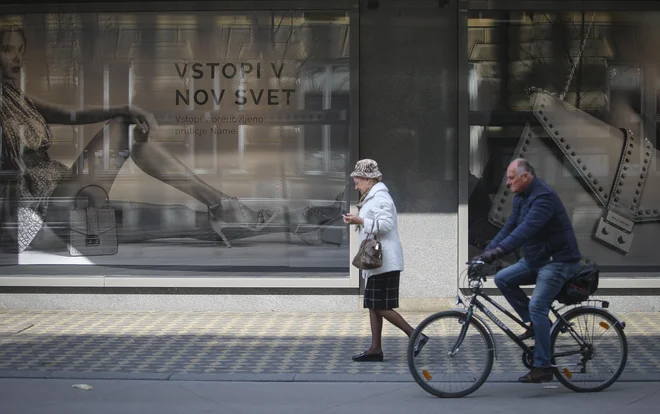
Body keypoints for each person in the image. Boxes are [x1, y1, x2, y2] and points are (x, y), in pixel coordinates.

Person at [0, 25, 341, 253]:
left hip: (64, 198)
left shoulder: (20, 98)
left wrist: (123, 105)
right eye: (7, 50)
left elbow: (71, 114)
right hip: (38, 213)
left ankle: (296, 220)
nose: (16, 57)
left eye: (19, 50)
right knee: (126, 129)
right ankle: (227, 205)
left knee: (176, 218)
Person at [479, 158, 581, 383]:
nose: (508, 183)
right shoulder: (521, 197)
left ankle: (544, 366)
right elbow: (510, 226)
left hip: (558, 261)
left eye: (511, 178)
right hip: (537, 259)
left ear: (526, 176)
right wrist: (487, 250)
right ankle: (536, 325)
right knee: (503, 279)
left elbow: (525, 231)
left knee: (537, 306)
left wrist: (498, 251)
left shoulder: (543, 197)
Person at [343, 159, 428, 361]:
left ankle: (416, 335)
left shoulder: (381, 198)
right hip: (376, 262)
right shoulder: (371, 198)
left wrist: (361, 220)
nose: (355, 185)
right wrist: (359, 219)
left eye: (357, 181)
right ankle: (375, 349)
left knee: (380, 305)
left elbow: (386, 225)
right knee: (373, 304)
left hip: (384, 262)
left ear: (368, 179)